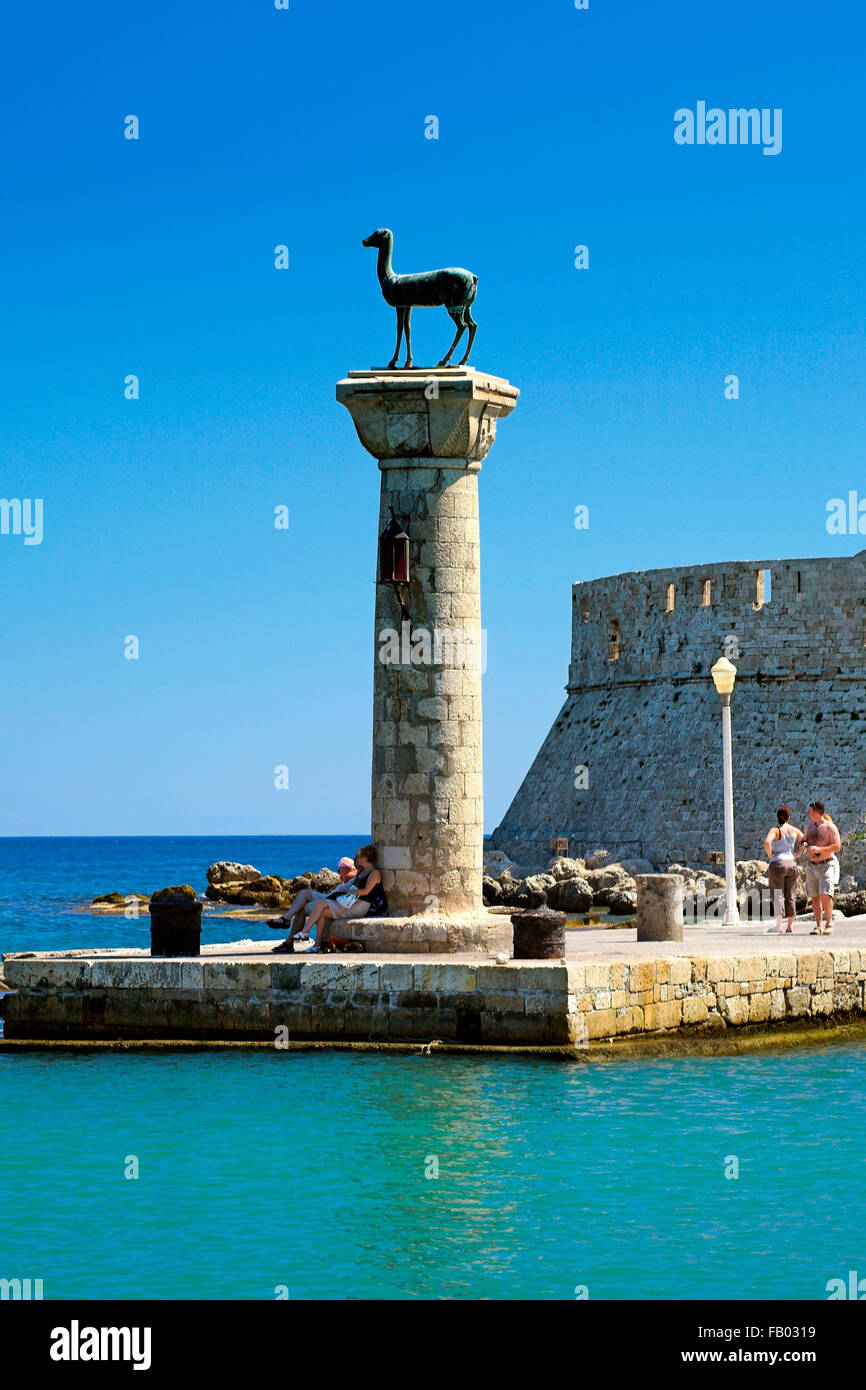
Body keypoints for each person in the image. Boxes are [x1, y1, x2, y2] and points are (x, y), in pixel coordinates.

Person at [304, 844, 388, 954]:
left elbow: (366, 891)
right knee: (322, 912)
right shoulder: (361, 872)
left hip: (361, 905)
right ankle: (317, 944)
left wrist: (348, 892)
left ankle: (307, 933)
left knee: (321, 905)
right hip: (353, 902)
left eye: (360, 856)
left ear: (366, 858)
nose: (357, 859)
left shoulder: (374, 873)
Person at [270, 856, 358, 954]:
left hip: (332, 900)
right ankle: (286, 919)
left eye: (339, 869)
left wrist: (345, 876)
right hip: (330, 897)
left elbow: (347, 884)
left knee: (302, 906)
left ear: (348, 867)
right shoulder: (354, 875)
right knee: (303, 893)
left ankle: (289, 938)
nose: (338, 872)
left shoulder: (351, 874)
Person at [798, 801, 842, 935]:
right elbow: (804, 839)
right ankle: (818, 926)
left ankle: (829, 923)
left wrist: (820, 849)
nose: (808, 814)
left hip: (826, 864)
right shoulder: (809, 826)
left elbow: (837, 846)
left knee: (825, 894)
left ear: (816, 813)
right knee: (814, 897)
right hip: (812, 865)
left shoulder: (830, 827)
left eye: (810, 812)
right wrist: (804, 844)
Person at [763, 806, 803, 934]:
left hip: (778, 864)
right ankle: (790, 926)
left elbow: (766, 842)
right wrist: (799, 853)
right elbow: (806, 842)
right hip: (792, 864)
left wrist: (770, 855)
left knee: (778, 894)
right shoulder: (794, 830)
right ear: (788, 817)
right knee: (791, 895)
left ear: (777, 817)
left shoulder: (776, 830)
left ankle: (779, 926)